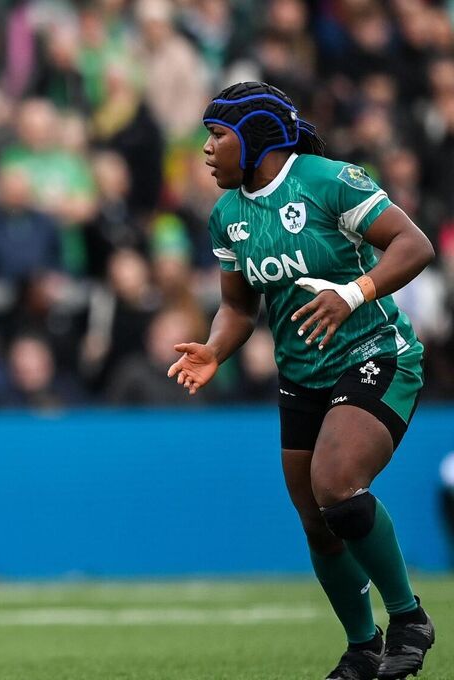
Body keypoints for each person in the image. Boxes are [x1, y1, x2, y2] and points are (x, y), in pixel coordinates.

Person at [168, 82, 436, 680]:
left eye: (217, 136)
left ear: (258, 137)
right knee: (317, 519)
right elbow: (238, 307)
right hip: (301, 375)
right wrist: (215, 349)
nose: (207, 150)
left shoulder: (328, 180)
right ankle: (364, 648)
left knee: (336, 485)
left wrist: (353, 292)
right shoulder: (227, 216)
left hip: (375, 352)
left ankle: (409, 618)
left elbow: (413, 245)